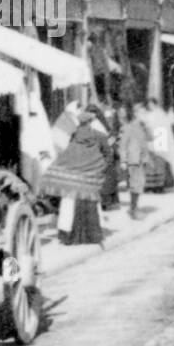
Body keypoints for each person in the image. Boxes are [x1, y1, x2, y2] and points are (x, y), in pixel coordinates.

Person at [41, 107, 109, 245]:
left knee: (69, 206)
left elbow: (67, 156)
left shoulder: (73, 136)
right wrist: (100, 167)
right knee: (92, 206)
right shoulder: (99, 136)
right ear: (91, 121)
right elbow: (108, 154)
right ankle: (92, 236)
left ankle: (69, 237)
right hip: (90, 179)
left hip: (73, 181)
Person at [118, 103, 150, 220]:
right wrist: (123, 160)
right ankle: (133, 209)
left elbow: (145, 143)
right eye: (142, 113)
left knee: (139, 184)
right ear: (136, 114)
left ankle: (134, 207)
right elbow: (122, 145)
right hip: (133, 159)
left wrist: (146, 157)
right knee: (135, 185)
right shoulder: (129, 127)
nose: (145, 115)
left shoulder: (142, 127)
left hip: (140, 159)